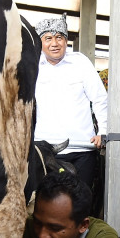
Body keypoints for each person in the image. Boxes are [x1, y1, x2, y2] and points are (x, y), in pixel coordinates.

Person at [32, 13, 108, 193]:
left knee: (79, 203)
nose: (54, 43)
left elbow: (99, 99)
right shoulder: (33, 65)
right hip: (44, 151)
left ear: (66, 41)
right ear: (40, 42)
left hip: (82, 149)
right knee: (46, 204)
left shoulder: (80, 62)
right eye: (48, 38)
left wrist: (103, 131)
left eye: (59, 37)